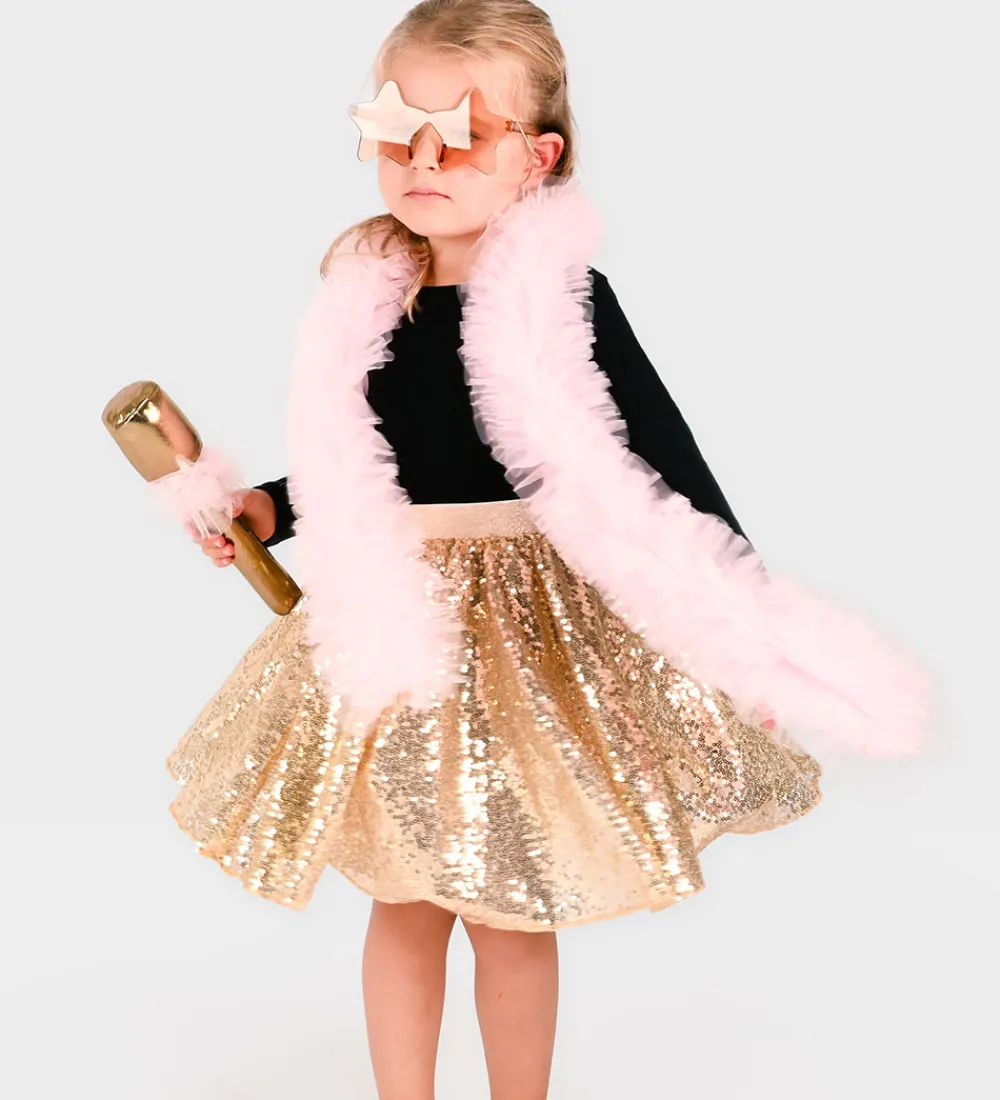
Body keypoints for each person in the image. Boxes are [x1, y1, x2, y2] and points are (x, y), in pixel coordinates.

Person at [169, 2, 925, 1097]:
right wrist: (267, 510)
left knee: (510, 904)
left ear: (538, 157)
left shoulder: (563, 301)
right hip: (398, 620)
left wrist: (746, 631)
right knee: (404, 898)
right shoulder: (369, 301)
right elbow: (366, 458)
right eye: (398, 132)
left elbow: (662, 460)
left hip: (532, 628)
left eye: (461, 135)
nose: (423, 162)